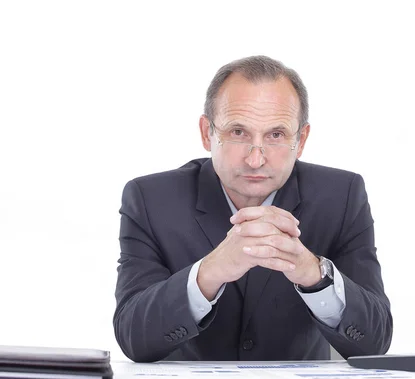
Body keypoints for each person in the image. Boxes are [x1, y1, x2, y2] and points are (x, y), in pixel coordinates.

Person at [113, 55, 393, 362]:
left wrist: (315, 276)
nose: (256, 159)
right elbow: (133, 338)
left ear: (300, 141)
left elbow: (374, 344)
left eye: (276, 135)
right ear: (208, 133)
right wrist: (209, 273)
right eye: (238, 133)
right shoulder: (150, 199)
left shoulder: (341, 197)